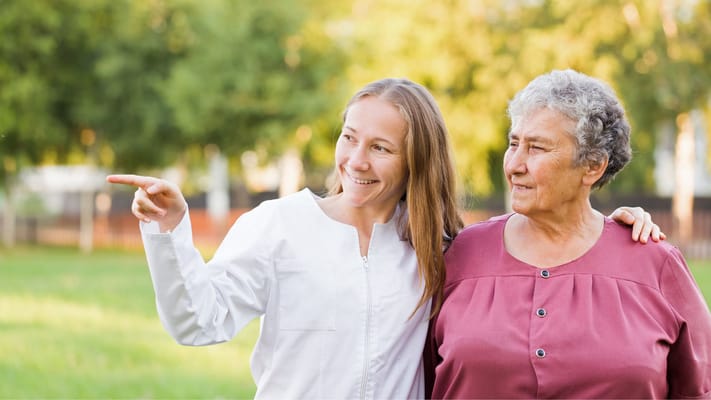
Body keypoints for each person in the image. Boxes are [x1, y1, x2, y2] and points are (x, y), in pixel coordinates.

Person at [107, 78, 662, 399]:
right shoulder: (277, 227)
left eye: (380, 147)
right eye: (349, 137)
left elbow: (537, 255)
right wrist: (168, 232)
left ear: (414, 160)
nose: (356, 160)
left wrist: (612, 224)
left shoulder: (440, 246)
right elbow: (197, 321)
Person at [425, 69, 711, 399]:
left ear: (593, 166)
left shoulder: (654, 263)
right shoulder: (462, 255)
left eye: (537, 148)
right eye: (514, 143)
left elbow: (700, 389)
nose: (515, 164)